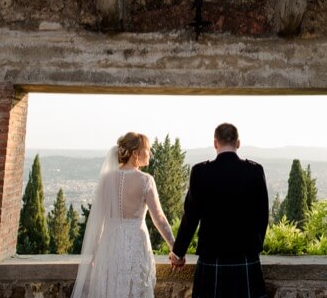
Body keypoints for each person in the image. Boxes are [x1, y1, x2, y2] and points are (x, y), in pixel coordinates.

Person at [169, 123, 270, 298]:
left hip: (211, 255)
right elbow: (262, 215)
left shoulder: (200, 172)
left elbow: (191, 217)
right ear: (238, 143)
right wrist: (255, 246)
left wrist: (178, 252)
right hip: (245, 254)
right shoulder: (254, 171)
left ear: (215, 143)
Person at [71, 132, 176, 298]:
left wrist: (96, 252)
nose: (150, 153)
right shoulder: (146, 180)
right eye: (147, 149)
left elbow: (99, 220)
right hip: (135, 245)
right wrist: (174, 247)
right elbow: (159, 218)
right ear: (135, 153)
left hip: (109, 246)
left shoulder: (107, 179)